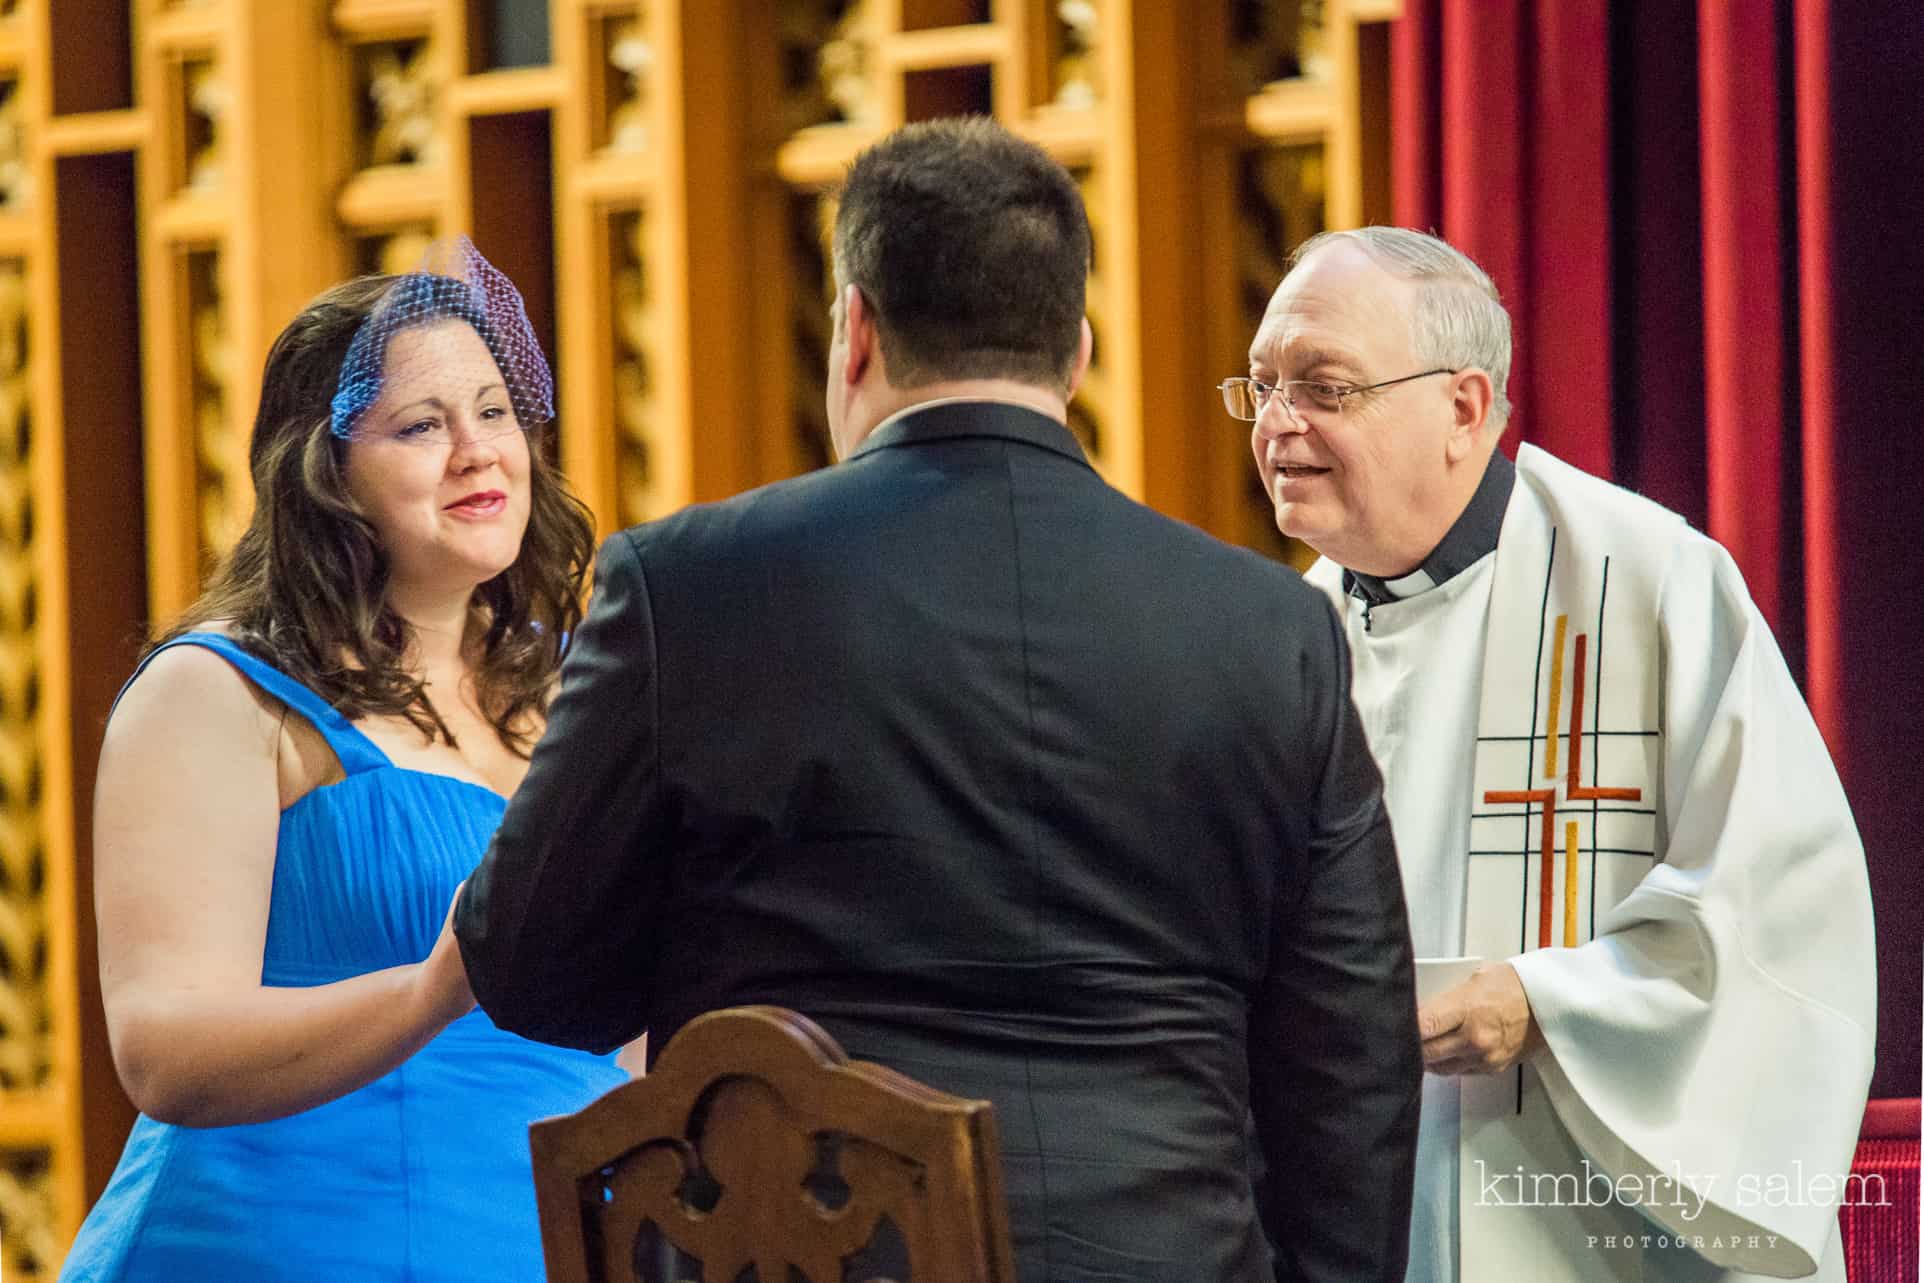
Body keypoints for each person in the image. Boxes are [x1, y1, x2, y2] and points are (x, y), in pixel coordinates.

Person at [452, 117, 1422, 1281]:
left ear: (854, 329)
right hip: (1167, 1250)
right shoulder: (1271, 627)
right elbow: (1350, 1052)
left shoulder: (689, 587)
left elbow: (530, 963)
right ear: (1076, 350)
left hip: (808, 1251)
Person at [1229, 225, 1876, 1283]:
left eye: (1324, 388)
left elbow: (1782, 912)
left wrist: (1540, 1002)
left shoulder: (1644, 582)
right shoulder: (1279, 641)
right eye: (1260, 388)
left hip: (1603, 1225)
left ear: (1464, 407)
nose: (1277, 425)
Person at [61, 240, 627, 1282]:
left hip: (542, 1242)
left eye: (495, 411)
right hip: (279, 1245)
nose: (477, 451)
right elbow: (163, 1050)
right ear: (325, 474)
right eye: (422, 424)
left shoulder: (584, 689)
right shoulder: (217, 691)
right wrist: (431, 989)